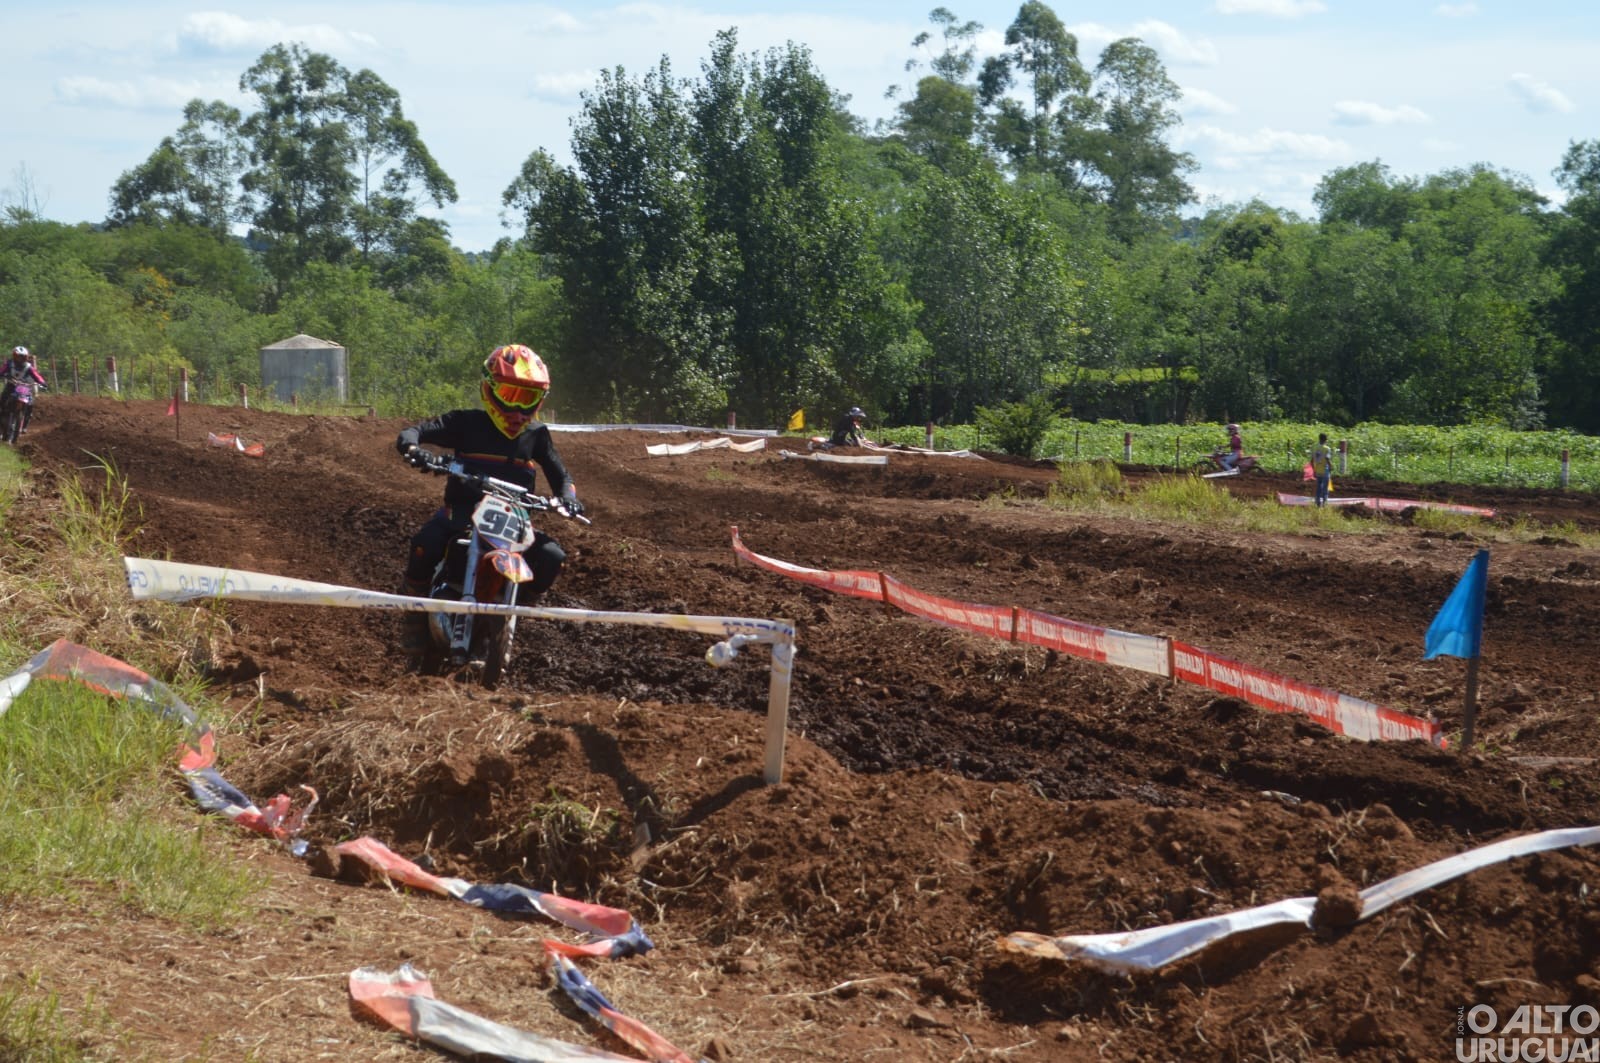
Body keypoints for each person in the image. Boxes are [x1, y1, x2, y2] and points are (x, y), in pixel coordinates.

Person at [394, 344, 582, 650]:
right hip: (462, 513)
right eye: (510, 395)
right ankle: (414, 618)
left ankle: (519, 610)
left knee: (552, 558)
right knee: (425, 544)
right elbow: (413, 432)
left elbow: (562, 475)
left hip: (513, 522)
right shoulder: (466, 423)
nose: (518, 409)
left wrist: (567, 497)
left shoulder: (536, 435)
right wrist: (415, 450)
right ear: (489, 389)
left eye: (528, 398)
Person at [1, 346, 48, 433]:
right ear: (14, 356)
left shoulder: (28, 367)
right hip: (11, 385)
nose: (20, 359)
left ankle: (24, 425)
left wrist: (42, 382)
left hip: (23, 387)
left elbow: (36, 375)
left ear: (26, 357)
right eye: (18, 356)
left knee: (30, 403)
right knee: (3, 399)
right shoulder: (9, 364)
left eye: (22, 357)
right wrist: (2, 374)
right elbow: (2, 370)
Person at [1310, 432, 1334, 507]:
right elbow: (1327, 458)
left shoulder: (1314, 448)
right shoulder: (1327, 449)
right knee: (1325, 487)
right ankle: (1324, 502)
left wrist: (1314, 470)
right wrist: (1331, 466)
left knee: (1318, 487)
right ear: (1325, 440)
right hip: (1325, 470)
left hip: (1317, 470)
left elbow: (1311, 461)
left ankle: (1317, 502)